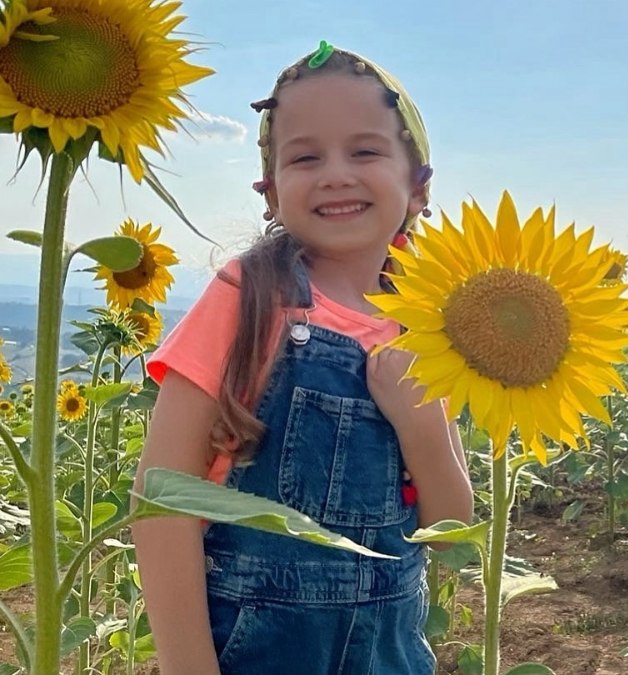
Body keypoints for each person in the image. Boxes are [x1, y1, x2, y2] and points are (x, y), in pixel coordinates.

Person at [131, 42, 474, 674]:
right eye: (305, 156)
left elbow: (451, 526)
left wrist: (419, 422)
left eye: (365, 151)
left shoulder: (426, 325)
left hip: (388, 655)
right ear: (271, 189)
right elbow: (161, 501)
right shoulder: (250, 297)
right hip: (255, 653)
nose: (336, 173)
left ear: (418, 185)